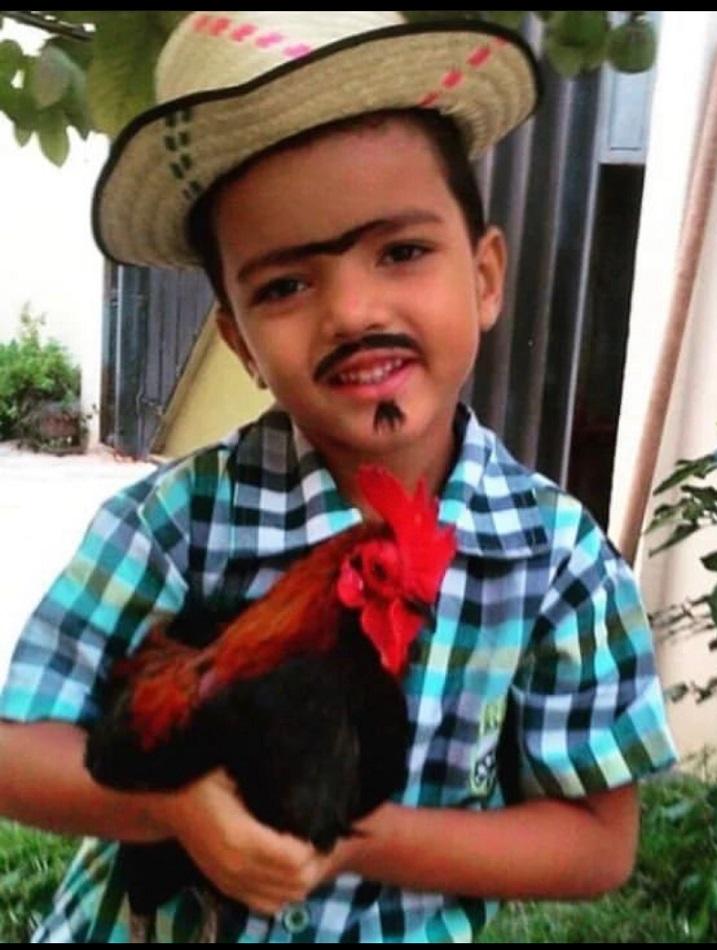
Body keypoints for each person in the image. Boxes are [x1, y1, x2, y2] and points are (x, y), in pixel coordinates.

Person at [0, 11, 678, 942]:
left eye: (401, 252)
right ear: (238, 339)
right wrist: (174, 810)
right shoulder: (169, 524)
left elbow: (599, 845)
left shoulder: (559, 562)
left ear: (485, 278)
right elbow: (14, 751)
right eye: (286, 285)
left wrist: (348, 838)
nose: (354, 311)